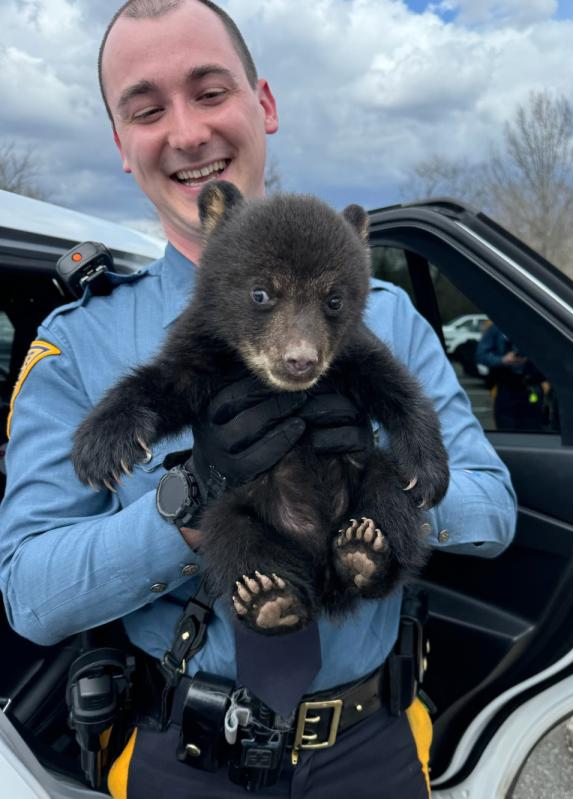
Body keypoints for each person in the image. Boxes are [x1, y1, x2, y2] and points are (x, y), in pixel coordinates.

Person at [0, 1, 516, 796]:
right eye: (147, 108)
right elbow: (30, 594)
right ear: (120, 142)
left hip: (370, 743)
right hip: (186, 748)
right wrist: (189, 503)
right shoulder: (79, 345)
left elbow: (493, 509)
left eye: (210, 92)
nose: (187, 132)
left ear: (263, 103)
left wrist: (382, 493)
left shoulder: (386, 318)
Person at [475, 321, 548, 431]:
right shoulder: (498, 328)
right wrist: (502, 360)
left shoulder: (539, 326)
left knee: (533, 432)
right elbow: (480, 355)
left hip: (532, 387)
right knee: (507, 431)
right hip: (507, 388)